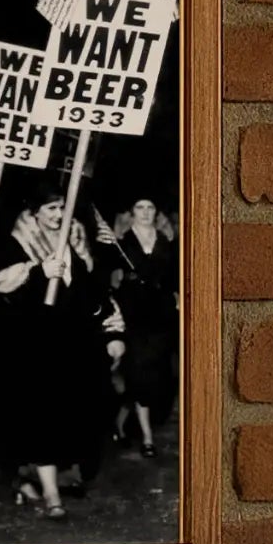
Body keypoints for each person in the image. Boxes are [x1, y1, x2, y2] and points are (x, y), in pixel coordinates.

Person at [0, 191, 103, 519]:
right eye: (51, 208)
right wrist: (38, 272)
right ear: (35, 212)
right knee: (42, 419)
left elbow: (87, 291)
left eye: (62, 207)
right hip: (34, 348)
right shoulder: (16, 244)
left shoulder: (75, 240)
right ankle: (51, 495)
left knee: (69, 415)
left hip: (72, 346)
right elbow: (1, 291)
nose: (58, 214)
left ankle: (35, 479)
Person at [108, 196, 176, 457]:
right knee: (139, 372)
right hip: (133, 315)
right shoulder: (121, 243)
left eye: (150, 207)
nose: (146, 212)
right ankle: (147, 437)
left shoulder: (166, 242)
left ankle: (120, 421)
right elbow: (109, 277)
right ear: (131, 212)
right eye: (140, 207)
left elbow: (174, 277)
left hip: (161, 316)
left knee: (156, 376)